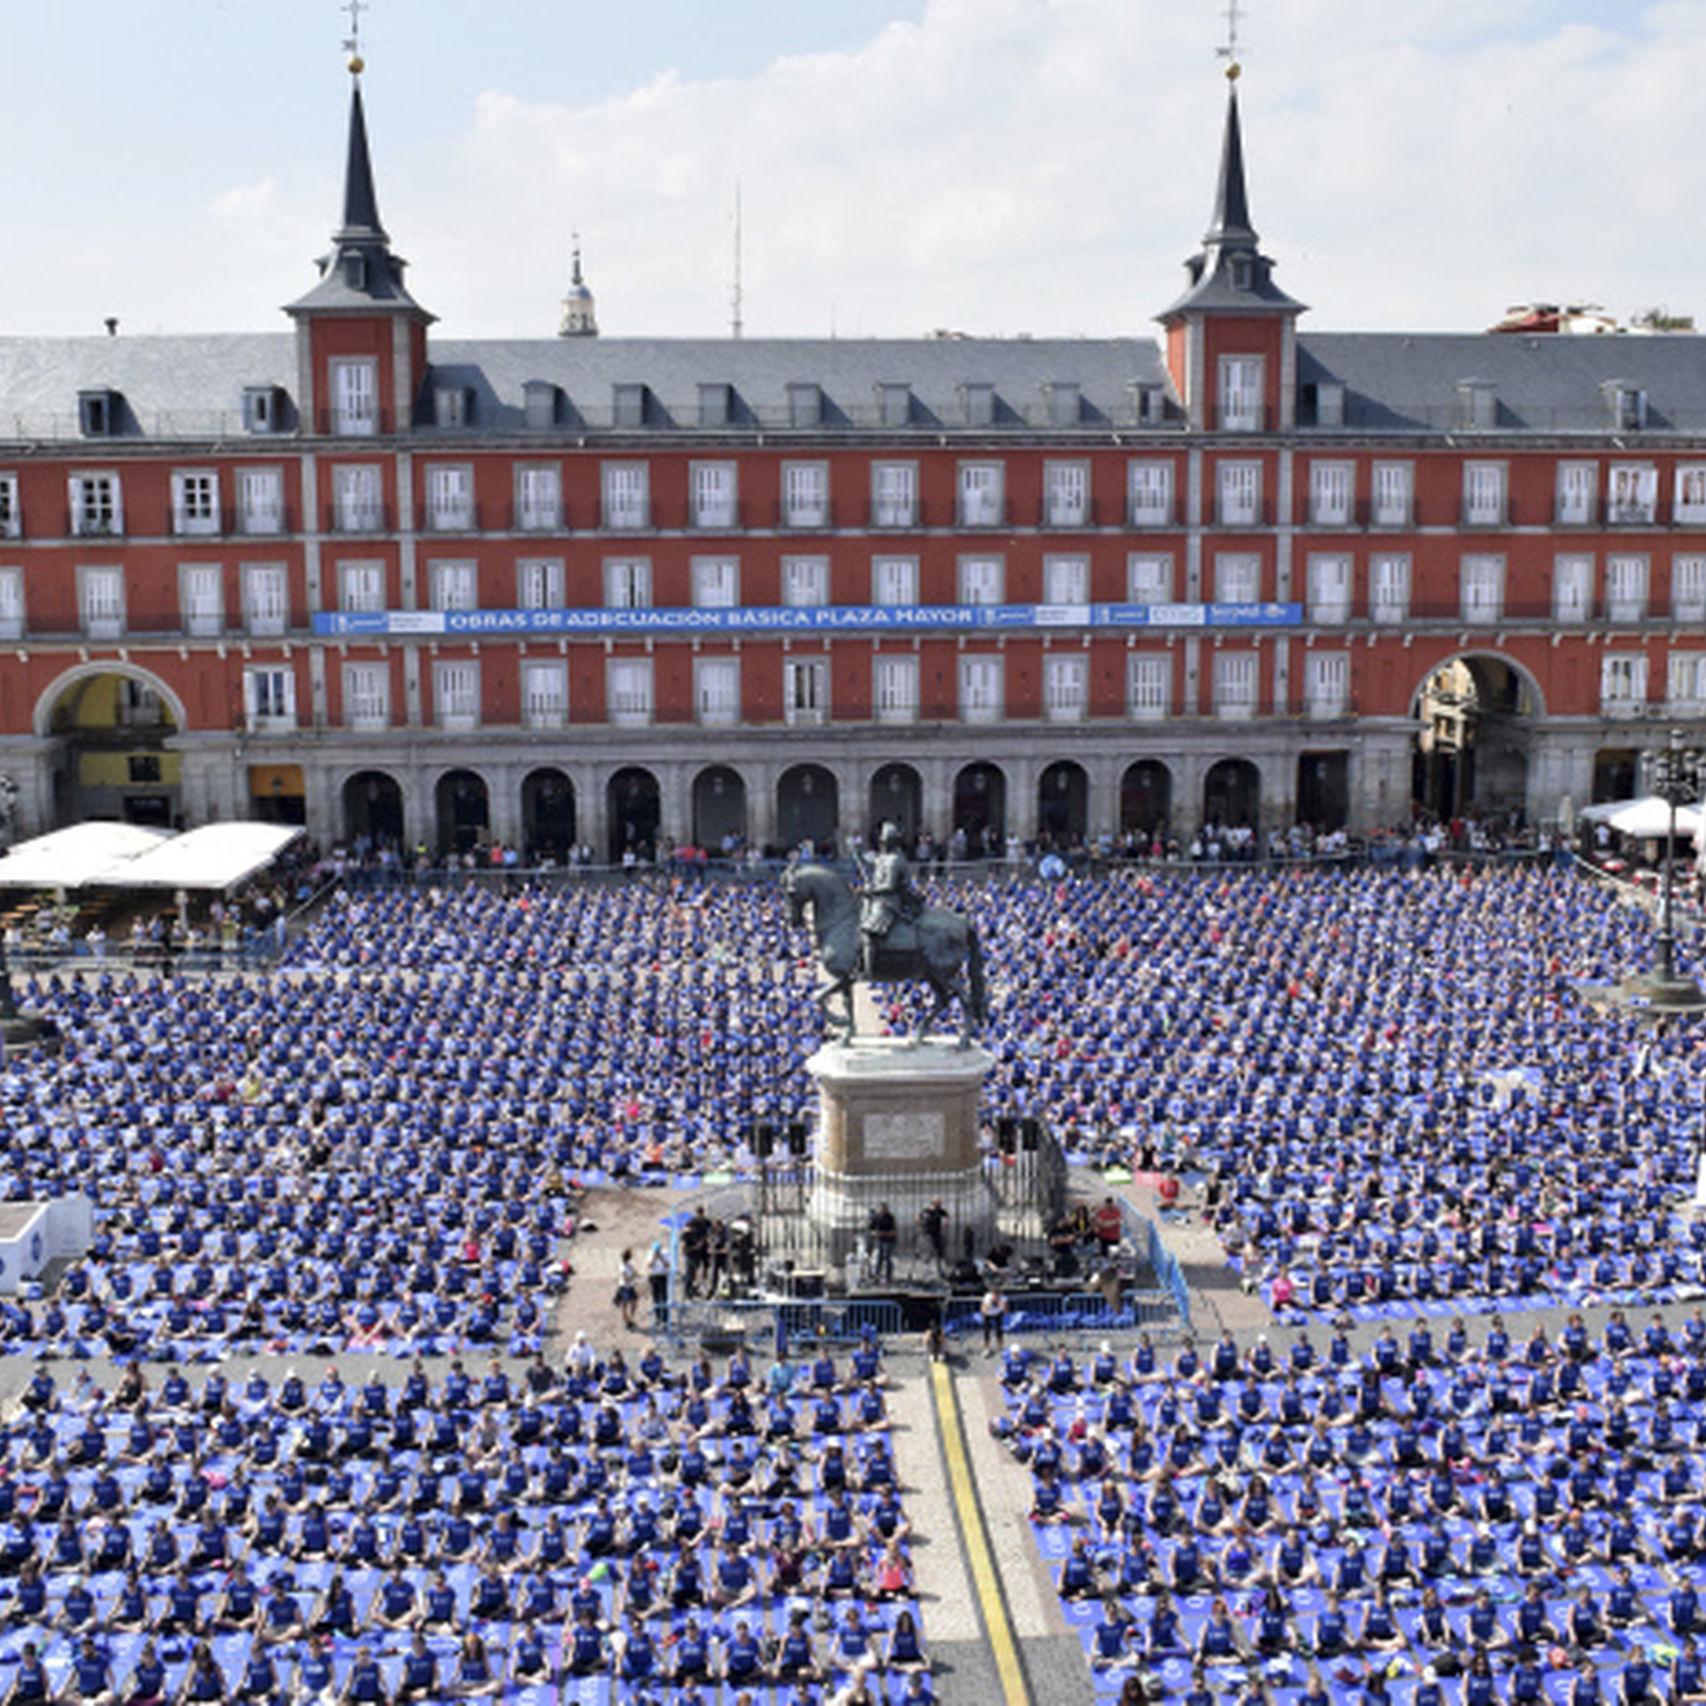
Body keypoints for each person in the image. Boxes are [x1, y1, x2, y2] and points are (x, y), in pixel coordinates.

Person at [858, 822, 922, 978]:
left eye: (883, 842)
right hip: (878, 898)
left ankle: (869, 972)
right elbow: (871, 862)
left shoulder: (895, 860)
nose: (881, 844)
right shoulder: (883, 858)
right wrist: (858, 852)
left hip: (890, 901)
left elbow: (889, 885)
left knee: (868, 934)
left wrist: (871, 890)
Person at [868, 1203, 897, 1282]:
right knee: (878, 1259)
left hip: (889, 1241)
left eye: (883, 1209)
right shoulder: (876, 1218)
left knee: (887, 1258)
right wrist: (874, 1233)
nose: (882, 1211)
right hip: (879, 1240)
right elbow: (870, 1229)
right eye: (880, 1209)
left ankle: (888, 1276)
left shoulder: (890, 1218)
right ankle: (877, 1275)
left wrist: (883, 1233)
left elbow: (893, 1232)